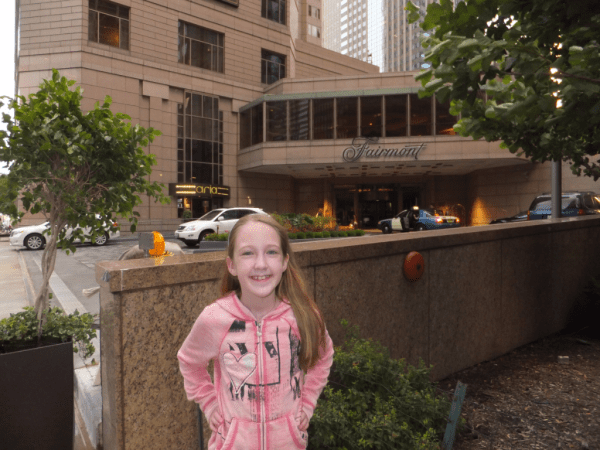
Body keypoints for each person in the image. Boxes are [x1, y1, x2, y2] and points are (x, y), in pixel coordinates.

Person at [177, 214, 334, 450]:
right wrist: (210, 404)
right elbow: (189, 362)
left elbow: (323, 356)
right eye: (248, 253)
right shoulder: (216, 318)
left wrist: (308, 402)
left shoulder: (302, 315)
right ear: (232, 265)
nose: (261, 264)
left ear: (284, 262)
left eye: (271, 252)